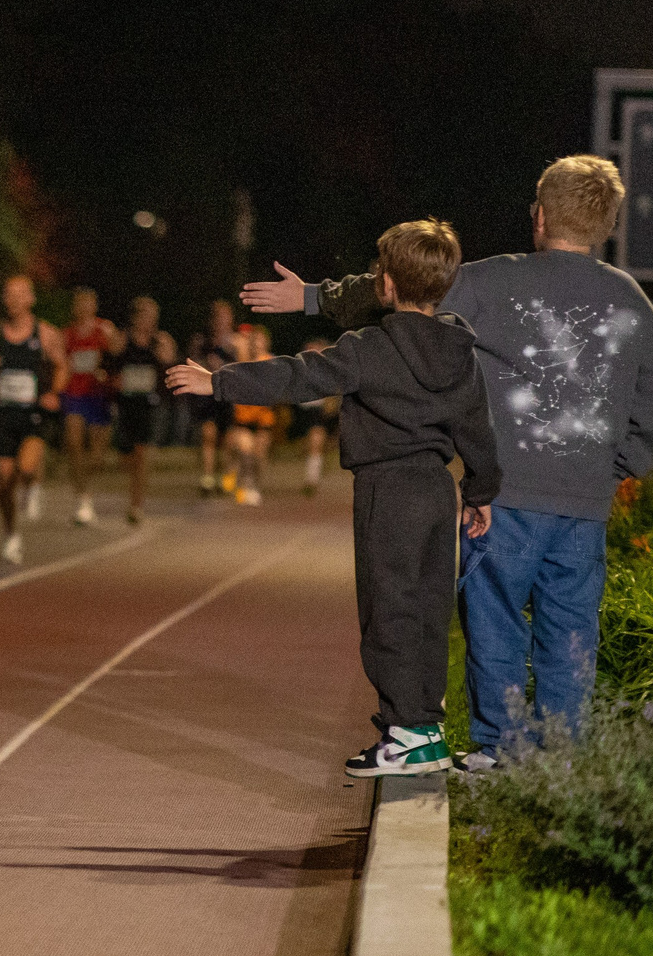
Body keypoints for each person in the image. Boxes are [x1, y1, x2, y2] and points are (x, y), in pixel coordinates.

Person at [244, 155, 653, 766]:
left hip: (505, 499)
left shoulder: (492, 281)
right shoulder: (631, 299)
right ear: (605, 224)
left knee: (495, 621)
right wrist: (620, 466)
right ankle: (561, 759)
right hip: (584, 503)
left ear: (541, 215)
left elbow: (405, 291)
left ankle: (500, 748)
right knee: (571, 631)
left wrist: (314, 296)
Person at [174, 220, 500, 776]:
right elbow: (478, 429)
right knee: (427, 608)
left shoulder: (371, 347)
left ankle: (404, 735)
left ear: (389, 285)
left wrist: (219, 382)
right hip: (435, 489)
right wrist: (480, 491)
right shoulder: (460, 352)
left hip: (386, 489)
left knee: (387, 610)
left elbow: (300, 377)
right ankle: (427, 727)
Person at [0, 274, 62, 565]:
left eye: (20, 294)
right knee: (3, 480)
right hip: (2, 414)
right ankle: (11, 535)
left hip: (33, 413)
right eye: (9, 294)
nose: (13, 300)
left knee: (26, 466)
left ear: (31, 299)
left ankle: (33, 484)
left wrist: (54, 392)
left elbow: (62, 365)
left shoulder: (44, 333)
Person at [106, 296, 175, 525]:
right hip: (126, 404)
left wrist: (164, 353)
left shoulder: (160, 340)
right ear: (134, 317)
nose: (148, 320)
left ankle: (136, 505)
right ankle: (134, 490)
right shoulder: (122, 339)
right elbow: (108, 364)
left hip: (150, 404)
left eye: (152, 316)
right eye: (143, 315)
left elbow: (170, 363)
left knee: (142, 455)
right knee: (126, 458)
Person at [56, 287, 122, 525]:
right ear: (75, 307)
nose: (84, 307)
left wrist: (111, 343)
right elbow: (59, 362)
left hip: (98, 395)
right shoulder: (66, 334)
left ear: (94, 306)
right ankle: (81, 497)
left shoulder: (104, 329)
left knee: (97, 457)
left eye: (88, 303)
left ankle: (88, 492)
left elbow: (117, 355)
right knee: (74, 443)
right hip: (74, 394)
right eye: (79, 303)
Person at [184, 300, 242, 496]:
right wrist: (206, 365)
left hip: (227, 394)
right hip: (206, 395)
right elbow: (191, 362)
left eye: (225, 316)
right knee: (207, 434)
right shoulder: (201, 341)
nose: (221, 321)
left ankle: (223, 478)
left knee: (227, 440)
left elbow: (244, 366)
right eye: (217, 317)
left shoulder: (236, 341)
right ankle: (207, 478)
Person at [225, 322, 276, 506]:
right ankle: (245, 486)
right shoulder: (240, 362)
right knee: (245, 451)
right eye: (253, 341)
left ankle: (255, 486)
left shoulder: (271, 362)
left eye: (260, 341)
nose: (256, 345)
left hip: (263, 418)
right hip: (243, 419)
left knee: (259, 456)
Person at [289, 338, 339, 495]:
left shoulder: (329, 374)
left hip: (318, 414)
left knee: (316, 440)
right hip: (300, 413)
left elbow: (333, 402)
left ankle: (312, 480)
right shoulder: (297, 371)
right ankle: (313, 471)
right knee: (310, 445)